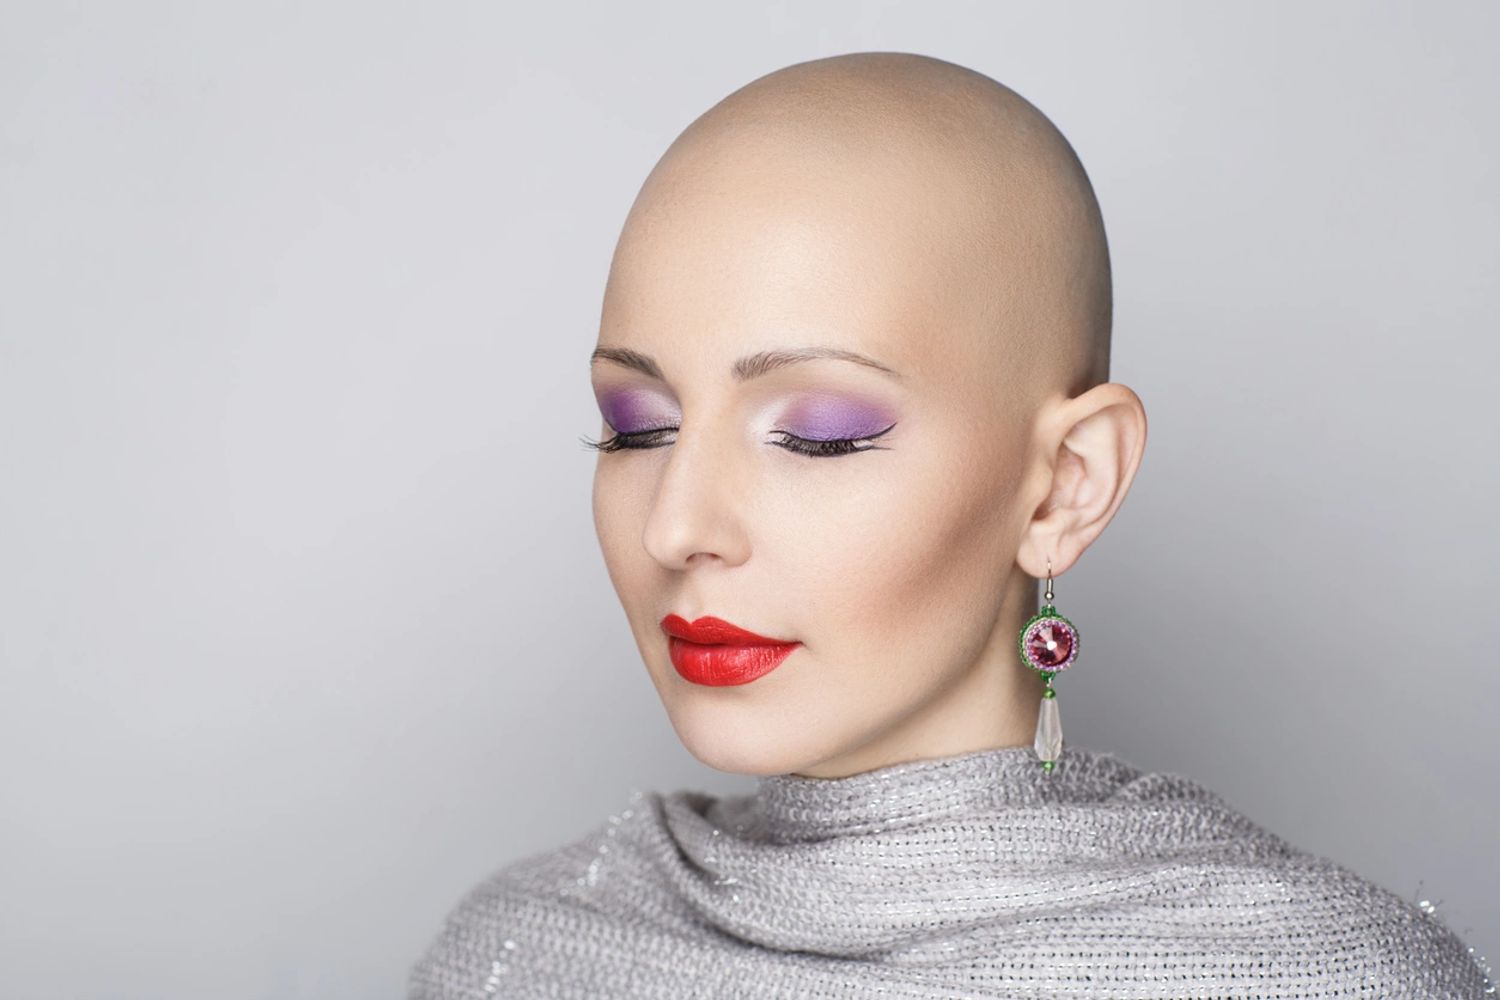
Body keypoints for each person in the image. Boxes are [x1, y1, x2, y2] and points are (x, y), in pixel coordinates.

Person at [408, 51, 1492, 998]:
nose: (676, 525)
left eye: (819, 434)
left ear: (1065, 484)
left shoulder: (1324, 977)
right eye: (638, 426)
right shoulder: (524, 950)